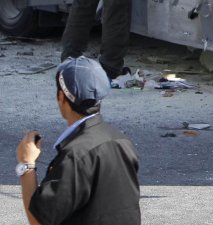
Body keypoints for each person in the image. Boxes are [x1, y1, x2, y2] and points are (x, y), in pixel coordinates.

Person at [15, 56, 140, 225]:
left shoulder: (75, 155)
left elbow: (38, 221)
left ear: (61, 96)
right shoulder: (122, 141)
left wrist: (26, 165)